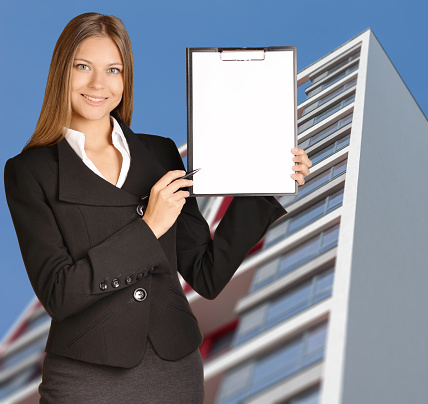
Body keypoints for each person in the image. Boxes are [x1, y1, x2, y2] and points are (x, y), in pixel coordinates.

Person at [4, 12, 312, 404]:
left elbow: (207, 274)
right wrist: (148, 227)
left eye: (113, 70)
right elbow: (58, 293)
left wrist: (267, 185)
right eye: (84, 66)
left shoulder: (160, 152)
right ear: (61, 71)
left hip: (174, 371)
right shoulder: (30, 171)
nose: (98, 84)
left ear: (125, 78)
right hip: (85, 378)